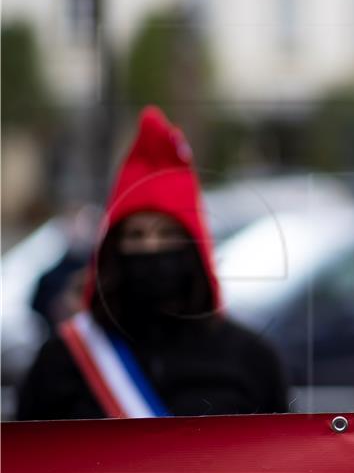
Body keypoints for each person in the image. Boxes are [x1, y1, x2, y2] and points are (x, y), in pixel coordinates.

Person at [17, 106, 288, 420]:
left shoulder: (251, 360)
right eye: (136, 234)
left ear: (194, 249)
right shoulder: (63, 362)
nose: (151, 247)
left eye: (167, 234)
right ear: (112, 251)